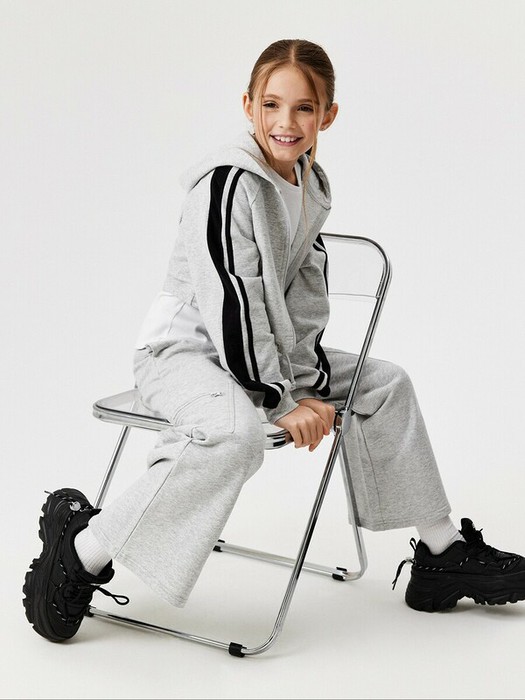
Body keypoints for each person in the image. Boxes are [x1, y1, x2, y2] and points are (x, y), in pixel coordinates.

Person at [23, 38, 525, 643]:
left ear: (327, 115)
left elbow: (304, 300)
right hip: (185, 353)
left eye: (304, 108)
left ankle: (441, 554)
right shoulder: (226, 185)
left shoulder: (309, 185)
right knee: (235, 437)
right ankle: (82, 550)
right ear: (249, 106)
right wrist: (282, 401)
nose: (286, 122)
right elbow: (231, 302)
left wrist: (305, 383)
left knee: (385, 384)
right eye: (271, 105)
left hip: (263, 355)